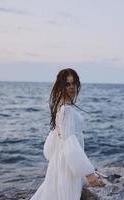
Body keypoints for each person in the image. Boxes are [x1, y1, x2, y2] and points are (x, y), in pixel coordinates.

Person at [30, 68, 104, 200]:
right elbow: (70, 143)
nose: (72, 87)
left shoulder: (62, 107)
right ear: (61, 86)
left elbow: (56, 140)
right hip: (66, 167)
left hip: (61, 162)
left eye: (74, 83)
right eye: (67, 84)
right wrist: (88, 174)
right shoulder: (66, 110)